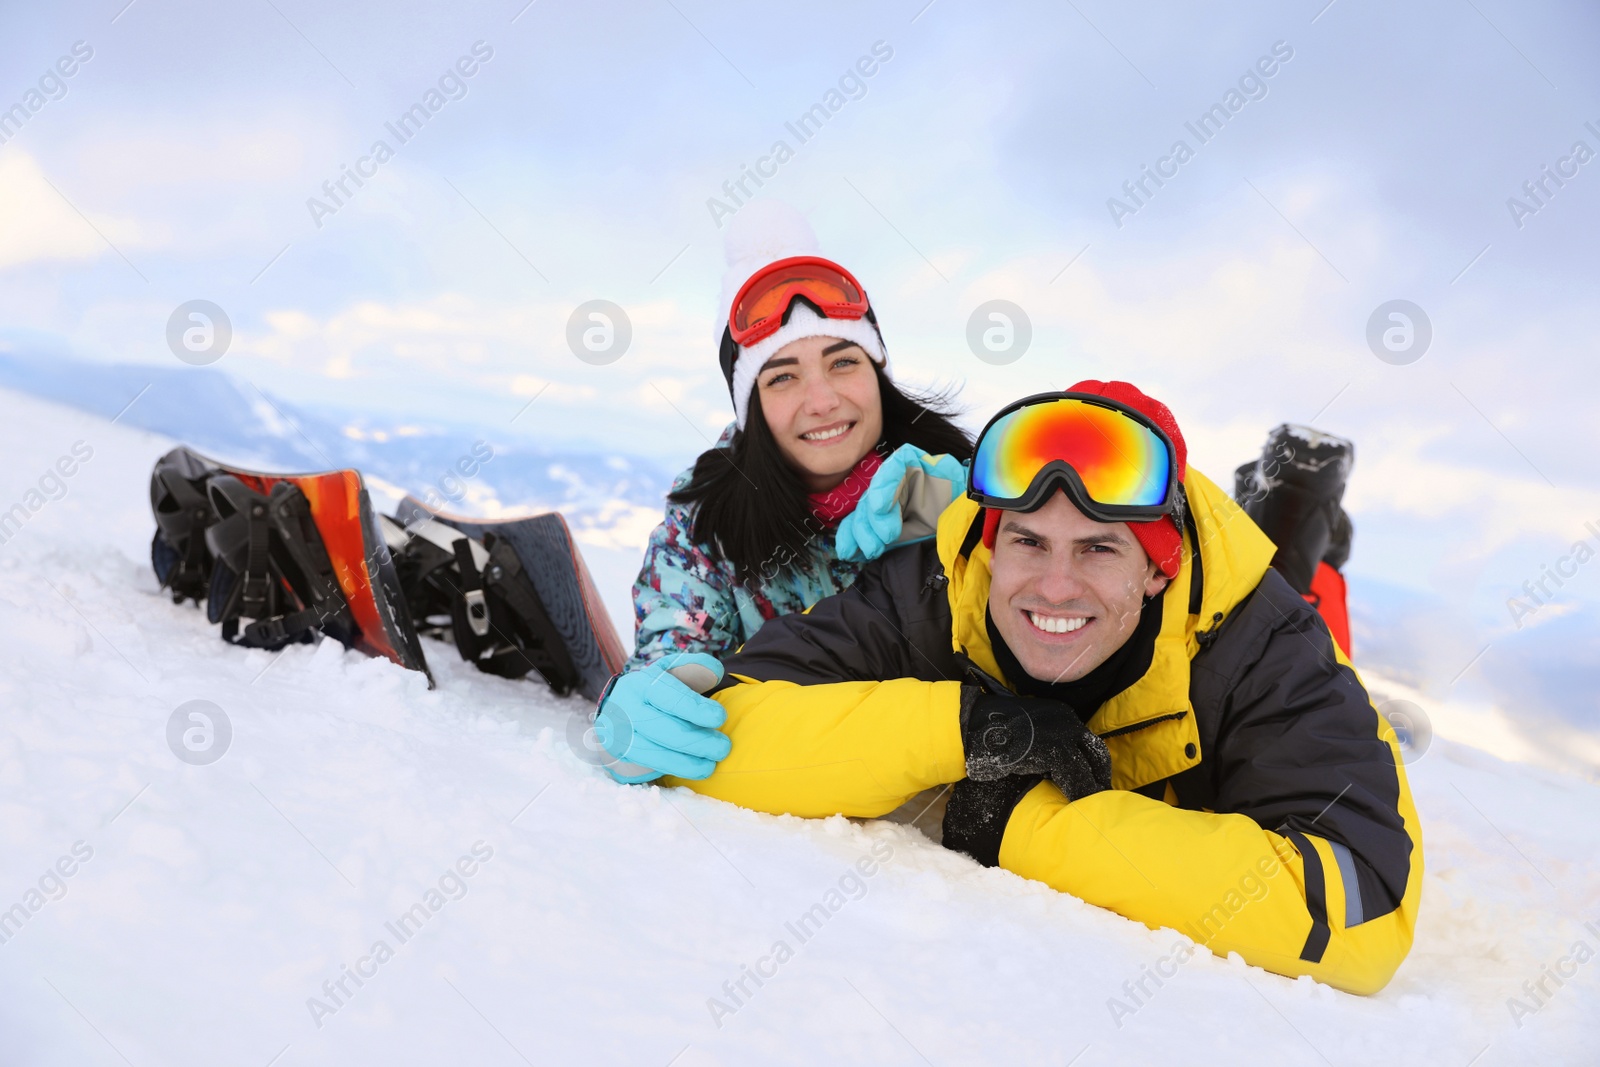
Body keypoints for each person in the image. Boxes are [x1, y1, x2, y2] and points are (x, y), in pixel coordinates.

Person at [608, 381, 1422, 995]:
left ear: (1157, 568)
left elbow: (1360, 909)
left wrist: (1016, 822)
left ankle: (1300, 501)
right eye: (1027, 541)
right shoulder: (935, 583)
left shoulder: (1266, 644)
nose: (1054, 586)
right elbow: (729, 724)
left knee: (1299, 576)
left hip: (1268, 611)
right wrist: (962, 730)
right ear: (990, 545)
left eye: (1100, 549)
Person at [595, 205, 973, 782]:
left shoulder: (964, 481)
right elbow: (675, 652)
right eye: (783, 376)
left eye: (842, 362)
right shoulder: (706, 524)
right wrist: (644, 701)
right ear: (750, 409)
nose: (821, 400)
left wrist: (970, 525)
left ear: (878, 375)